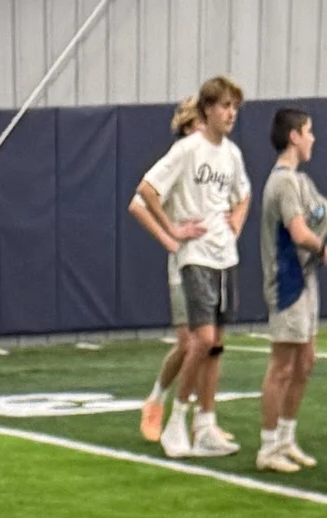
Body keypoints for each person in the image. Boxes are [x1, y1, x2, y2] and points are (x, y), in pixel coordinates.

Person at [130, 76, 250, 459]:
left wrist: (236, 224)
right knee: (199, 339)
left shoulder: (232, 154)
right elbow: (146, 191)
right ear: (207, 110)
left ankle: (206, 424)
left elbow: (243, 195)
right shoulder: (187, 150)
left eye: (235, 106)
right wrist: (173, 231)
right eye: (224, 106)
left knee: (214, 345)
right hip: (193, 256)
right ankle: (176, 419)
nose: (231, 113)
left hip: (224, 257)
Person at [256, 106, 327, 473]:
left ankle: (287, 438)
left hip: (306, 281)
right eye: (308, 131)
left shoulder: (300, 181)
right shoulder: (284, 182)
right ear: (294, 136)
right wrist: (321, 246)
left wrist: (322, 223)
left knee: (305, 362)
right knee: (282, 365)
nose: (313, 138)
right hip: (288, 282)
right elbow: (300, 231)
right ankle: (268, 446)